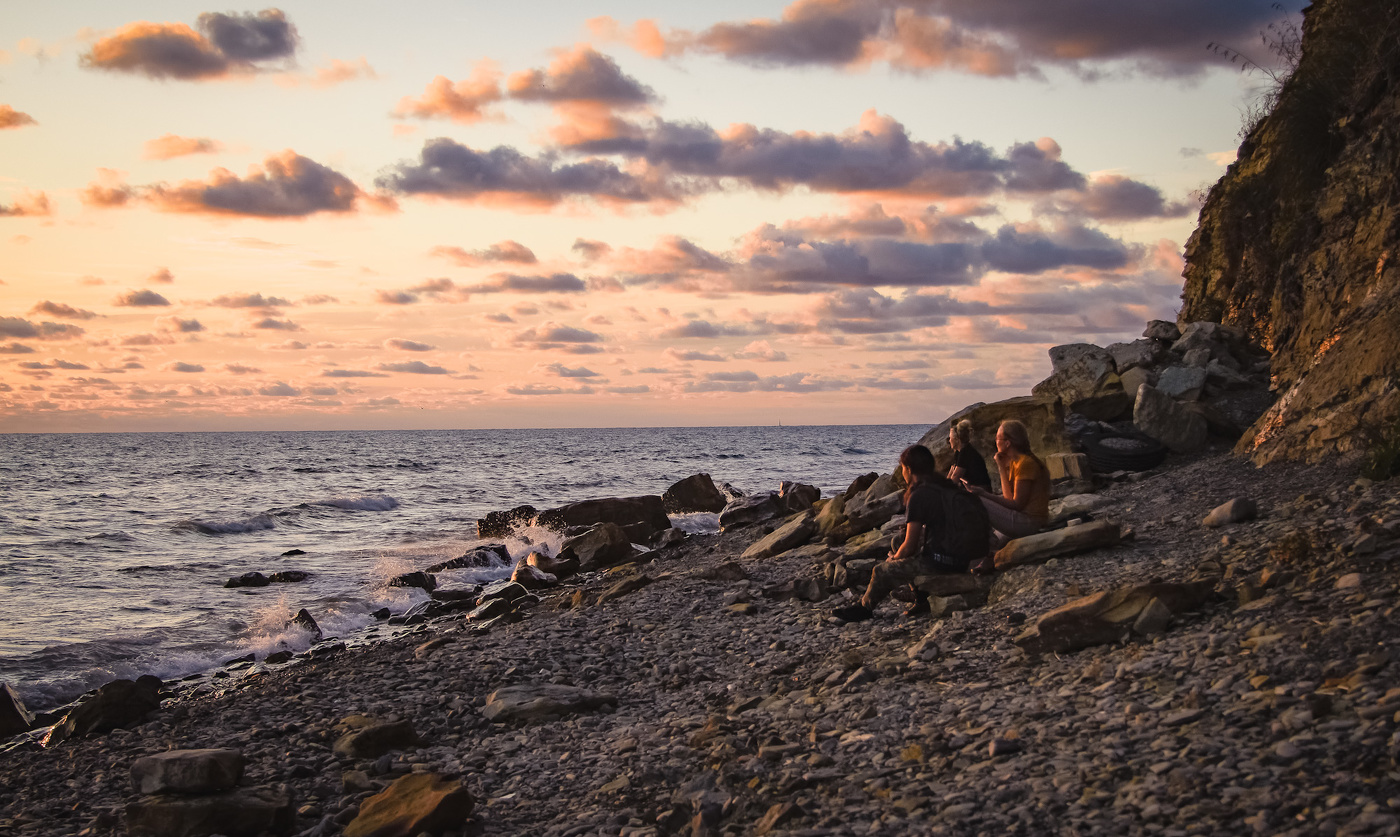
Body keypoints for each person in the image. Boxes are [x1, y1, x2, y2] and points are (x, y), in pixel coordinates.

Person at [833, 445, 981, 623]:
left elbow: (910, 547)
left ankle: (864, 608)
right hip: (963, 554)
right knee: (898, 540)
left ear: (909, 469)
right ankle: (921, 600)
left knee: (881, 571)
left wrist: (894, 559)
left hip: (946, 562)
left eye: (903, 468)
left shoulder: (918, 495)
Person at [963, 419, 1051, 544]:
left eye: (998, 438)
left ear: (1008, 443)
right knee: (994, 538)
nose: (995, 441)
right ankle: (988, 551)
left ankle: (987, 551)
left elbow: (1017, 505)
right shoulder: (1016, 462)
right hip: (1022, 519)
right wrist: (1001, 467)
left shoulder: (1026, 463)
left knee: (975, 500)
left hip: (1029, 523)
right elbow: (1008, 497)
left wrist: (984, 494)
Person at [946, 419, 992, 491]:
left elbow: (955, 478)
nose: (949, 441)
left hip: (980, 491)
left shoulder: (966, 453)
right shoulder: (959, 452)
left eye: (950, 438)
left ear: (957, 439)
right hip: (971, 489)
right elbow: (952, 473)